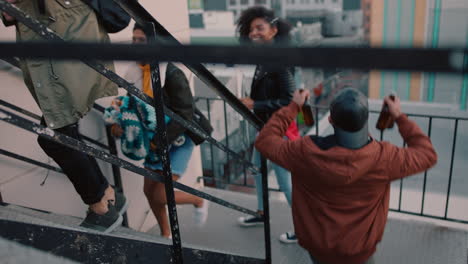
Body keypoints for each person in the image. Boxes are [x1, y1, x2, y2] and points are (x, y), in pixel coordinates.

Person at [255, 87, 438, 264]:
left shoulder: (304, 153)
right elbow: (427, 155)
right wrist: (399, 116)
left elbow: (265, 141)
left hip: (319, 250)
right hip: (360, 253)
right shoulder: (384, 158)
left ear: (331, 121)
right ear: (366, 120)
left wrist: (293, 107)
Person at [2, 0, 127, 232]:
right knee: (65, 131)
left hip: (62, 61)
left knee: (53, 138)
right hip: (57, 59)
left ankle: (100, 207)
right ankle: (107, 193)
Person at [108, 23, 208, 238]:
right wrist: (118, 123)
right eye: (133, 39)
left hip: (179, 137)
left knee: (162, 194)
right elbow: (129, 104)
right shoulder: (134, 70)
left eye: (141, 41)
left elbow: (185, 115)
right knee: (149, 192)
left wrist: (158, 142)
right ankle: (166, 234)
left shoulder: (171, 73)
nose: (135, 45)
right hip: (154, 136)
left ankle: (198, 199)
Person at [235, 6, 299, 243]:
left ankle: (304, 228)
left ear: (273, 30)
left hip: (278, 131)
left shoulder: (279, 61)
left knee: (286, 184)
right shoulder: (266, 59)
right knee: (257, 170)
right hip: (267, 129)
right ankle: (262, 213)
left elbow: (290, 100)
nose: (254, 33)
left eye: (259, 28)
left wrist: (256, 104)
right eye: (251, 29)